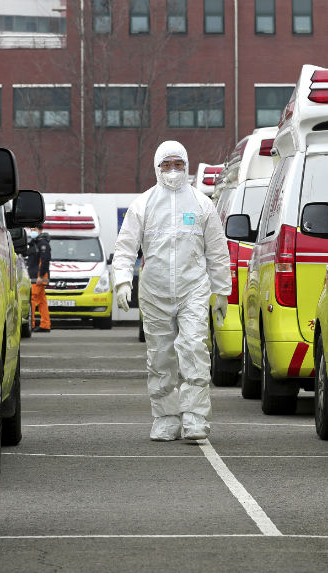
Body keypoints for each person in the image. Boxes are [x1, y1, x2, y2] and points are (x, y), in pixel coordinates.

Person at [112, 141, 231, 441]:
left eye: (178, 164)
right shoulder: (144, 204)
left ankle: (194, 418)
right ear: (157, 167)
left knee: (194, 350)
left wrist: (222, 290)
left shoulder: (202, 204)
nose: (174, 171)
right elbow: (125, 247)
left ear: (187, 166)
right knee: (160, 356)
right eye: (167, 165)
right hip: (155, 291)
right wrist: (122, 281)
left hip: (193, 289)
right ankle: (165, 417)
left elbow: (217, 250)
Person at [26, 226, 52, 333]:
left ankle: (31, 324)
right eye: (31, 230)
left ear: (40, 230)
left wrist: (41, 276)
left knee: (32, 299)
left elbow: (45, 260)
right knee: (42, 301)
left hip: (38, 277)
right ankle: (45, 324)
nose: (32, 232)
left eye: (34, 230)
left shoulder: (43, 244)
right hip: (36, 276)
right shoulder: (35, 243)